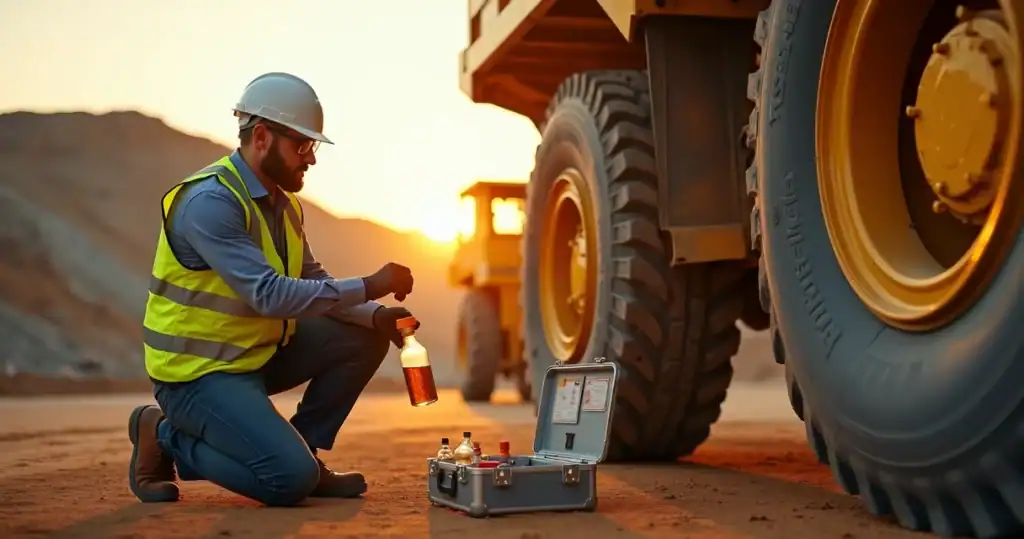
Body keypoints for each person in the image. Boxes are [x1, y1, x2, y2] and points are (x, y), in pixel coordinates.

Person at [127, 72, 418, 506]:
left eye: (313, 147)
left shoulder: (284, 206)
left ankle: (304, 451)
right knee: (287, 480)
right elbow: (270, 295)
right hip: (196, 376)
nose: (311, 159)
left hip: (252, 356)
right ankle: (164, 433)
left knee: (364, 334)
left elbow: (313, 281)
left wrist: (375, 313)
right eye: (302, 146)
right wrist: (371, 284)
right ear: (262, 137)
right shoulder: (210, 203)